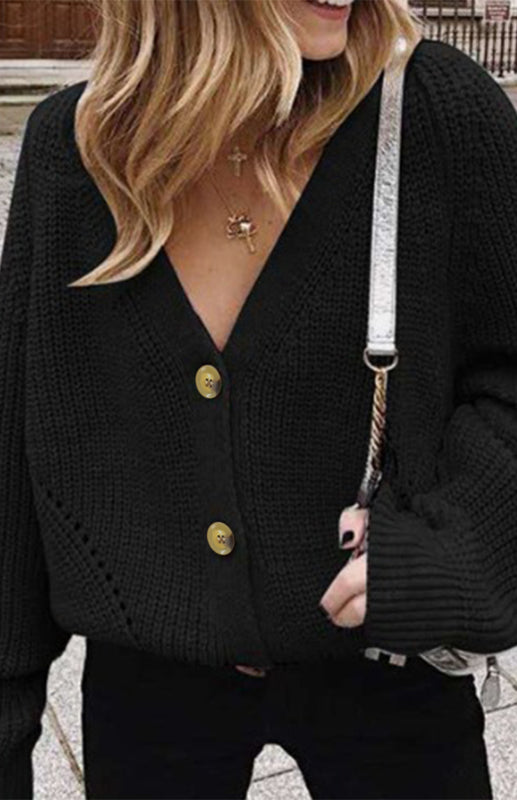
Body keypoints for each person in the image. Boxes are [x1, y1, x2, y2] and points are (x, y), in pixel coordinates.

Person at [1, 0, 516, 797]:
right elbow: (15, 457)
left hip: (392, 676)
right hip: (148, 690)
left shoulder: (435, 114)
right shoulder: (76, 151)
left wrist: (444, 549)